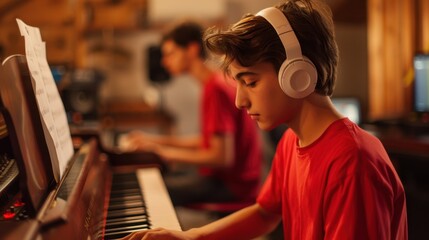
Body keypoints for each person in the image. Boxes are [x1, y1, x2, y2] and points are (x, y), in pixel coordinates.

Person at [122, 0, 408, 239]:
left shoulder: (352, 161)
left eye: (251, 82)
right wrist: (190, 236)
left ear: (298, 75)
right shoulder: (290, 142)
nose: (239, 100)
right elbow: (265, 213)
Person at [121, 20, 263, 206]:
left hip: (232, 185)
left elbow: (221, 157)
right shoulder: (215, 82)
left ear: (192, 50)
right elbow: (209, 141)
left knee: (146, 191)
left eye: (171, 54)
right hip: (233, 179)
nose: (165, 61)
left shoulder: (215, 89)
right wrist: (154, 141)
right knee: (157, 179)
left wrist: (160, 152)